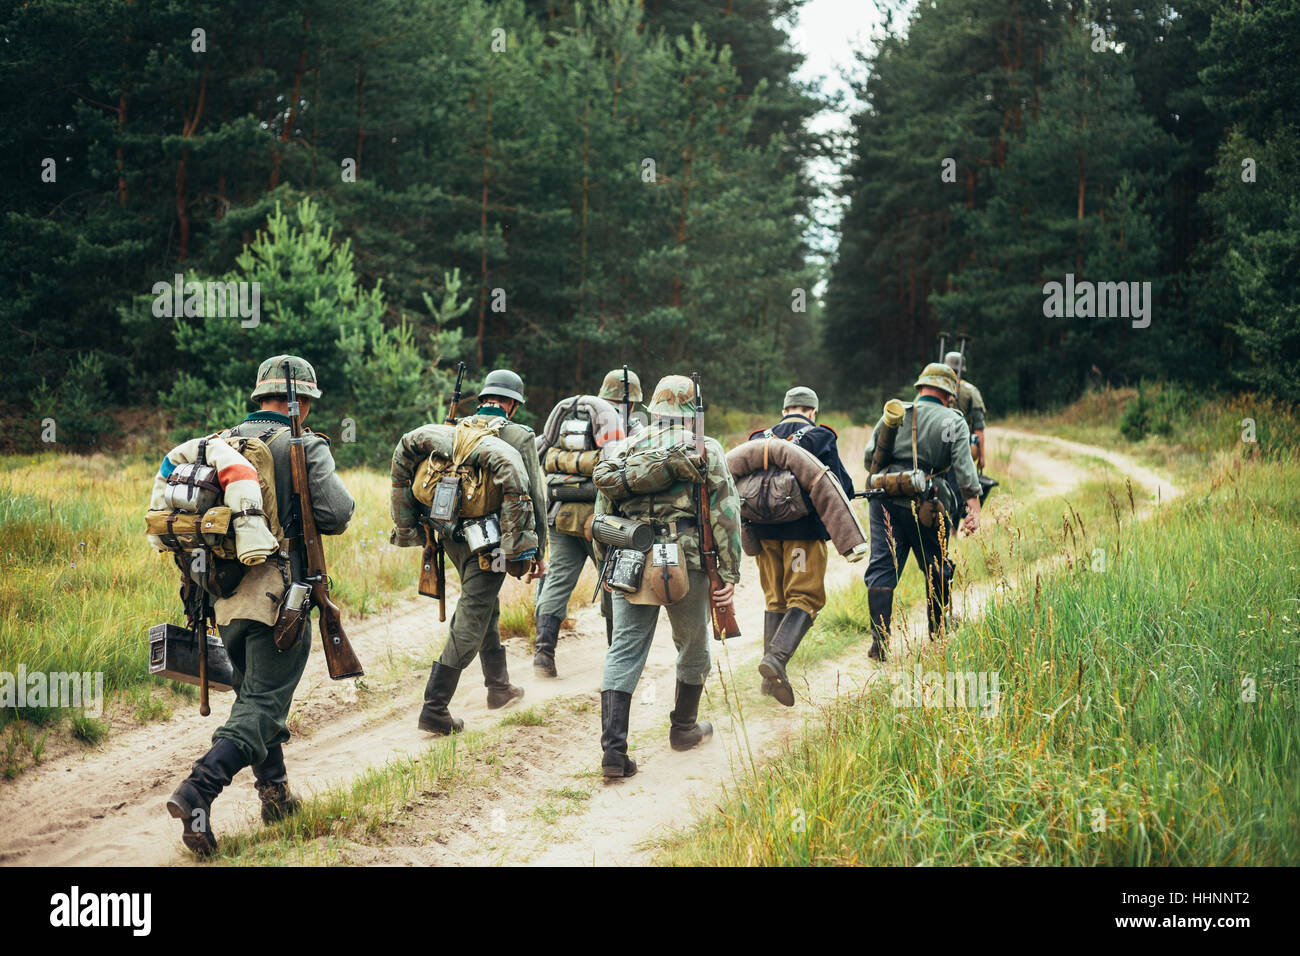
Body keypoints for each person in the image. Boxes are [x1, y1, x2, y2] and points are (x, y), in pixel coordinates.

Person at [166, 355, 355, 855]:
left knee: (255, 697)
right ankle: (197, 791)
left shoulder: (221, 445)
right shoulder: (305, 444)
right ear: (305, 401)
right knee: (265, 704)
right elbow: (337, 514)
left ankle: (275, 796)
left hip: (223, 599)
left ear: (258, 397)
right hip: (280, 600)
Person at [593, 374, 742, 778]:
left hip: (628, 558)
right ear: (691, 412)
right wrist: (727, 574)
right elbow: (727, 513)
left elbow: (600, 517)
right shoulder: (705, 448)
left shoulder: (621, 450)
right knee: (693, 645)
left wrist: (603, 566)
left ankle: (613, 752)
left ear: (653, 410)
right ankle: (683, 728)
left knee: (623, 649)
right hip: (685, 560)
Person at [415, 369, 548, 735]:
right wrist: (538, 549)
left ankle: (498, 686)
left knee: (484, 601)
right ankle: (435, 706)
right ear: (513, 404)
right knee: (474, 610)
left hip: (451, 535)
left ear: (485, 398)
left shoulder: (455, 428)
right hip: (492, 540)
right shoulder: (519, 435)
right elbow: (534, 495)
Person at [861, 363, 981, 662]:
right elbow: (964, 469)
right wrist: (974, 506)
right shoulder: (953, 420)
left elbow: (869, 458)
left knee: (882, 567)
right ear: (949, 393)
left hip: (884, 498)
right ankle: (938, 637)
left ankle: (880, 642)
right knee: (936, 565)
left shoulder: (895, 413)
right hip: (929, 501)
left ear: (921, 387)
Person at [746, 386, 854, 706]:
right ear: (812, 412)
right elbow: (840, 485)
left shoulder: (757, 439)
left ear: (784, 410)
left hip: (764, 534)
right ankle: (776, 661)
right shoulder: (820, 438)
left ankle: (770, 682)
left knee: (775, 597)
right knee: (805, 597)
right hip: (802, 534)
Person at [533, 368, 644, 677]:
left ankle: (543, 655)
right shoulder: (624, 429)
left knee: (557, 581)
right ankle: (617, 658)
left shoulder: (572, 419)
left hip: (561, 514)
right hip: (603, 521)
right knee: (614, 582)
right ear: (632, 403)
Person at [944, 351, 987, 472]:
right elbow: (979, 428)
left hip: (936, 447)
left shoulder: (933, 389)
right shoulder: (971, 391)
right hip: (962, 447)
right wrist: (982, 457)